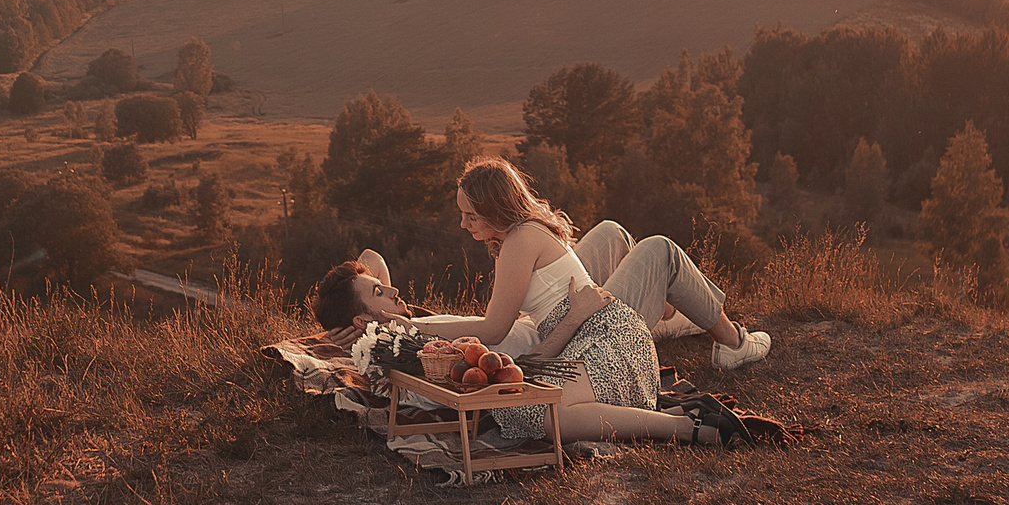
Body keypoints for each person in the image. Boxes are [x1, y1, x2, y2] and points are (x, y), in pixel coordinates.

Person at [309, 157, 777, 446]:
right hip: (581, 328)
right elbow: (369, 265)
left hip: (597, 329)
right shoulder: (512, 242)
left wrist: (398, 327)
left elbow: (491, 331)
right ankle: (672, 323)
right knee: (528, 409)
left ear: (495, 211)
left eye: (470, 215)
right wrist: (377, 329)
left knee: (651, 249)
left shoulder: (518, 242)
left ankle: (701, 351)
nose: (463, 225)